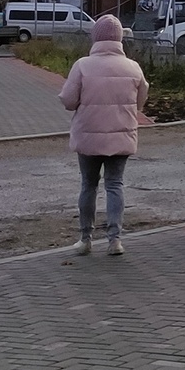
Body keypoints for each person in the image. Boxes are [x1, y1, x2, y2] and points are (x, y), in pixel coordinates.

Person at [58, 15, 147, 256]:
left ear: (95, 37)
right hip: (121, 135)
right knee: (115, 185)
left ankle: (85, 239)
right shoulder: (133, 67)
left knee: (88, 185)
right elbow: (140, 103)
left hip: (89, 136)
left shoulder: (82, 65)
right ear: (119, 39)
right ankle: (114, 240)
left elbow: (68, 101)